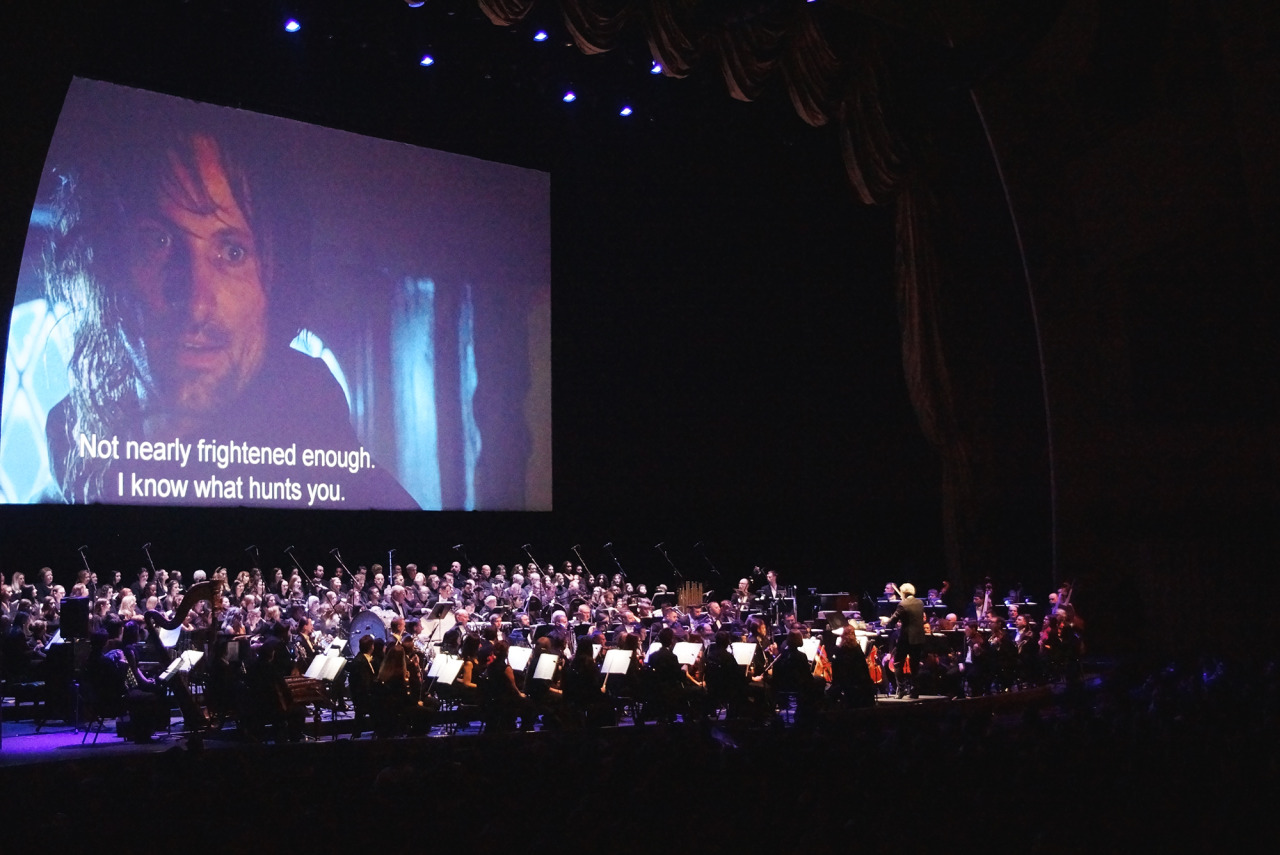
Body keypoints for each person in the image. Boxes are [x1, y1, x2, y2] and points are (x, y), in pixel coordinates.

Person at [40, 97, 416, 508]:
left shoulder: (309, 410)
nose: (197, 303)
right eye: (157, 241)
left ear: (277, 278)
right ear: (105, 263)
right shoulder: (73, 428)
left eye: (232, 252)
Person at [881, 582, 926, 699]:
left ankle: (901, 690)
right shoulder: (920, 603)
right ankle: (915, 691)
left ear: (903, 592)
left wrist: (886, 621)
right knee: (914, 665)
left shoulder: (903, 604)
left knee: (897, 663)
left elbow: (893, 620)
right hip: (919, 638)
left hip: (906, 639)